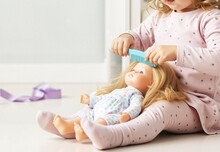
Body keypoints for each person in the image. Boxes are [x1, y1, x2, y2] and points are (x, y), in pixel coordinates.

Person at [80, 0, 220, 149]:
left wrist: (176, 52)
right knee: (113, 96)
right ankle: (75, 123)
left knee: (160, 110)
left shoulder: (210, 18)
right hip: (154, 91)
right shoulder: (160, 16)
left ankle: (116, 136)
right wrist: (128, 37)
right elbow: (140, 36)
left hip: (195, 105)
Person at [37, 61, 187, 142]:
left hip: (111, 115)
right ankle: (66, 126)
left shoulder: (136, 96)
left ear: (151, 83)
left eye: (140, 72)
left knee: (100, 122)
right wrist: (91, 99)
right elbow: (105, 98)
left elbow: (135, 107)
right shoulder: (120, 90)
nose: (134, 72)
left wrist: (127, 115)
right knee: (85, 116)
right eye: (134, 69)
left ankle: (84, 135)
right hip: (99, 109)